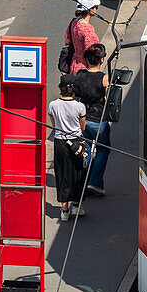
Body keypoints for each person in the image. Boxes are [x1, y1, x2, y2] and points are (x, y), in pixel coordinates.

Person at [49, 75, 87, 220]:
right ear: (74, 89)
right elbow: (82, 127)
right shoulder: (80, 106)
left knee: (62, 173)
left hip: (60, 142)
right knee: (77, 173)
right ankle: (76, 205)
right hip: (76, 142)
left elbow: (54, 124)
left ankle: (64, 209)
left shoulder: (53, 105)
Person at [75, 43, 110, 197]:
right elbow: (108, 98)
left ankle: (83, 181)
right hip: (99, 120)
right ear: (101, 60)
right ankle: (95, 182)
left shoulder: (80, 75)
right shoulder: (104, 78)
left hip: (83, 119)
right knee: (103, 149)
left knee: (86, 150)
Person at [65, 0, 101, 74]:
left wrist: (77, 42)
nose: (96, 9)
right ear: (89, 10)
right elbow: (91, 52)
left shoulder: (74, 22)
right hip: (85, 68)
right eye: (95, 7)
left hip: (74, 65)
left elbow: (67, 41)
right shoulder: (88, 29)